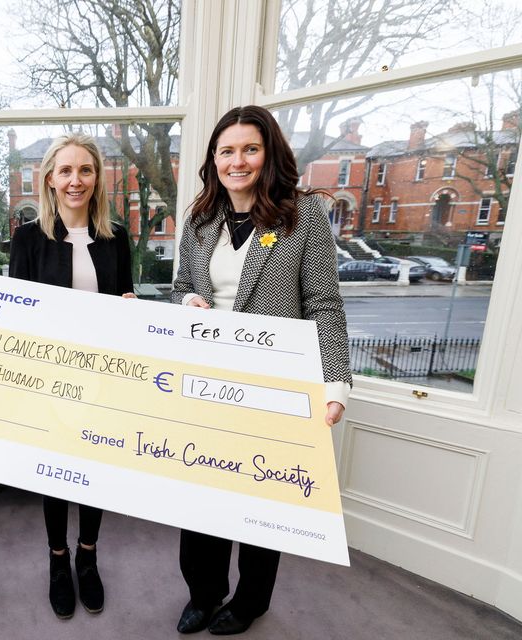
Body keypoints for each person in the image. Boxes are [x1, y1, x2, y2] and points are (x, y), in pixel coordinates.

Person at [171, 106, 351, 635]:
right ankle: (203, 593)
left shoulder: (304, 215)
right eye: (226, 151)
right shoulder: (199, 219)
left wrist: (335, 383)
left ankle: (250, 601)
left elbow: (323, 305)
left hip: (273, 388)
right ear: (214, 160)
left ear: (269, 154)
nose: (238, 161)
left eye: (250, 149)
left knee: (261, 498)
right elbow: (182, 285)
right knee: (201, 494)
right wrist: (188, 302)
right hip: (206, 386)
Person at [9, 132, 135, 619]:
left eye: (85, 170)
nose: (75, 180)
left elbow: (125, 302)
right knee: (56, 473)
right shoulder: (28, 238)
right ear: (50, 179)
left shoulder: (116, 237)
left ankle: (88, 555)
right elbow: (17, 315)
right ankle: (58, 559)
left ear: (97, 178)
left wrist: (129, 307)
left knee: (95, 470)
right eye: (66, 170)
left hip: (103, 377)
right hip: (50, 378)